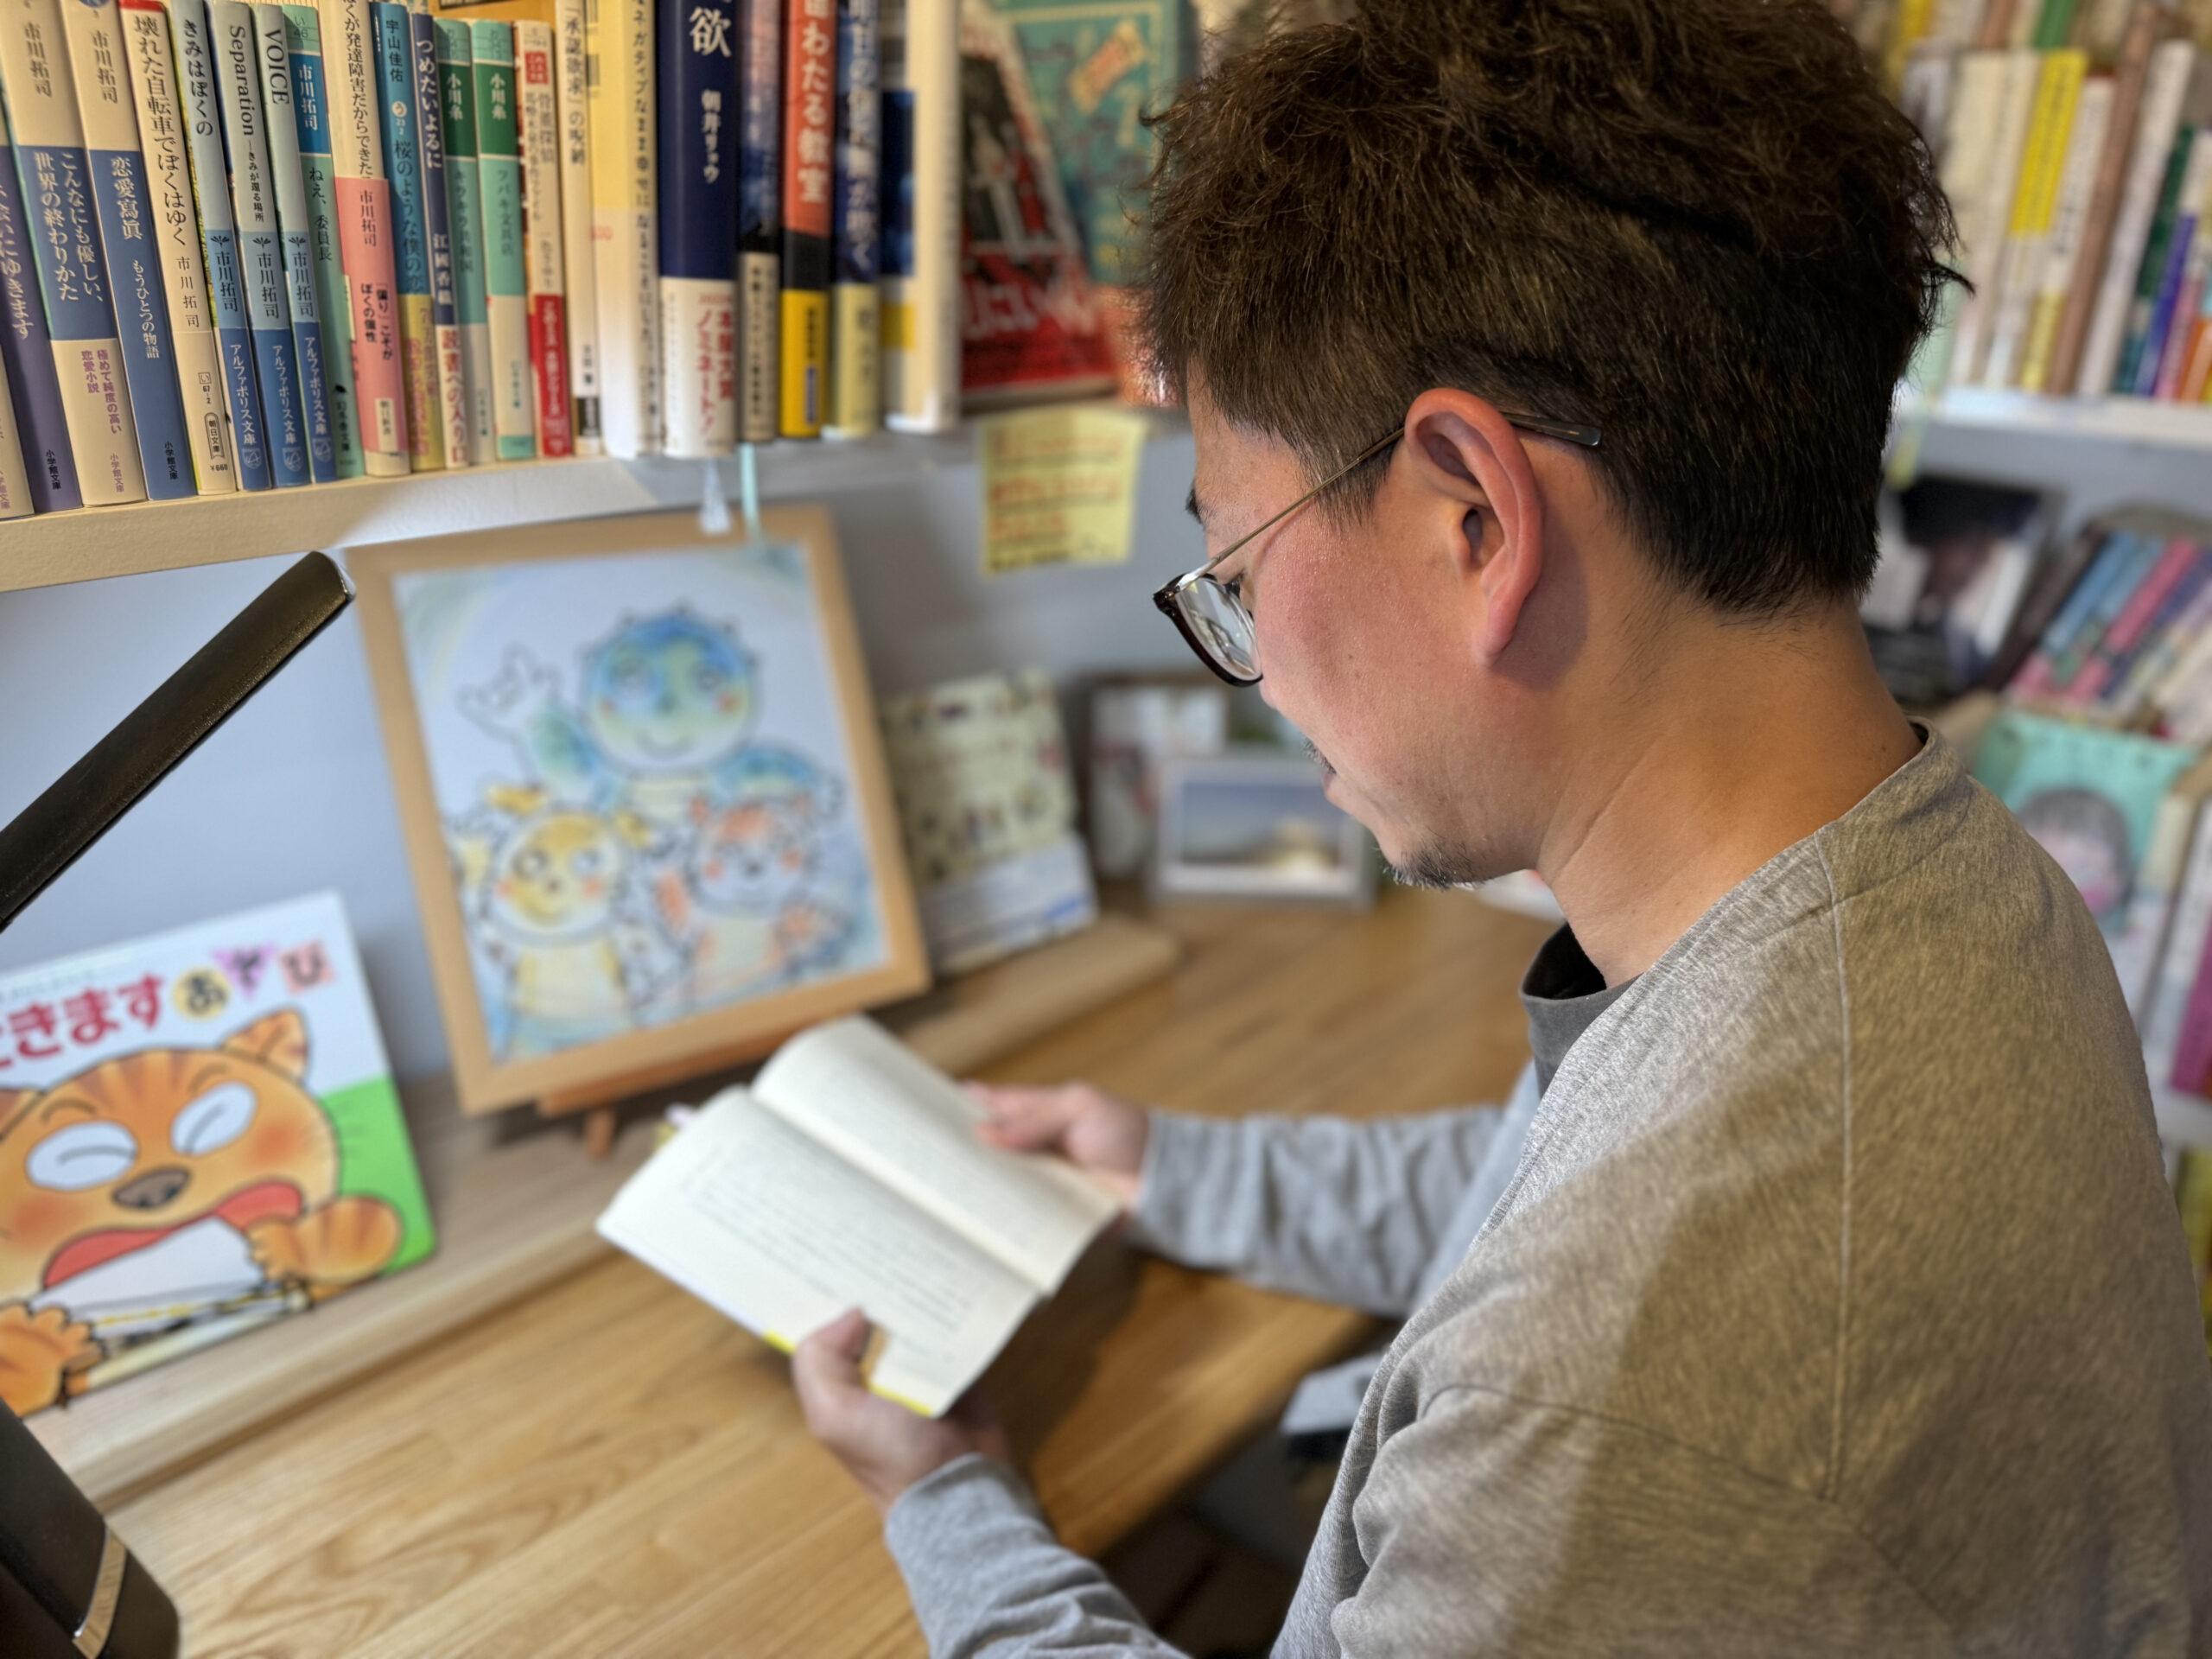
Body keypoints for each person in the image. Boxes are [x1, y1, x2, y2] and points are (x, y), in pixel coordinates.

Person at [791, 0, 2212, 1649]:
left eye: (1236, 571)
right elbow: (1544, 1187)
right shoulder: (1951, 873)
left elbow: (1598, 1289)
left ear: (1476, 516)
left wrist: (949, 1503)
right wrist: (1172, 1167)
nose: (1253, 664)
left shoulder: (1612, 1407)